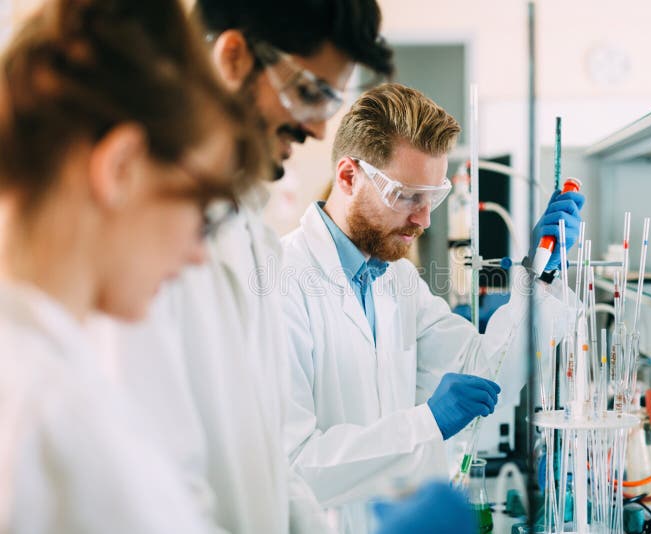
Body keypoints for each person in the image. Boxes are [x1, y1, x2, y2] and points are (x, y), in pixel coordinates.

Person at [89, 2, 472, 533]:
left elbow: (268, 467)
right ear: (234, 58)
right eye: (311, 93)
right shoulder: (147, 237)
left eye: (330, 100)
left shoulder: (251, 238)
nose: (318, 127)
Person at [0, 0, 263, 531]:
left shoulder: (42, 370)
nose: (198, 253)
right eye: (200, 208)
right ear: (120, 168)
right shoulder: (52, 418)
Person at [281, 83, 585, 533]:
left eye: (432, 197)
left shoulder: (397, 279)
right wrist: (427, 423)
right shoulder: (281, 281)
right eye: (407, 196)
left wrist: (536, 274)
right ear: (348, 177)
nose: (424, 219)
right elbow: (292, 467)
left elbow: (486, 372)